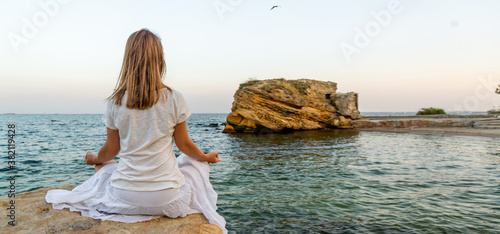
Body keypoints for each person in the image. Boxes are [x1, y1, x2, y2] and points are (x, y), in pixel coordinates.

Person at [45, 29, 227, 233]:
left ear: (128, 60)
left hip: (125, 195)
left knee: (105, 166)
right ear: (160, 61)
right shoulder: (174, 98)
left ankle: (114, 182)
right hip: (166, 198)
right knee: (193, 162)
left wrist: (95, 159)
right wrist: (206, 157)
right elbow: (184, 145)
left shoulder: (115, 102)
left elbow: (111, 150)